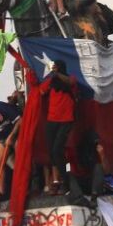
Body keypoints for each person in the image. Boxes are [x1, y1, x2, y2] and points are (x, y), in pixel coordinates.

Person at [39, 59, 77, 196]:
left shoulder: (69, 79)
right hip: (51, 120)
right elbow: (41, 91)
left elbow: (71, 82)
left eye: (57, 67)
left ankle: (65, 182)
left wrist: (57, 74)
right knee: (52, 152)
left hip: (66, 120)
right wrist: (51, 77)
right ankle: (58, 181)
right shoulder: (52, 81)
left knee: (57, 150)